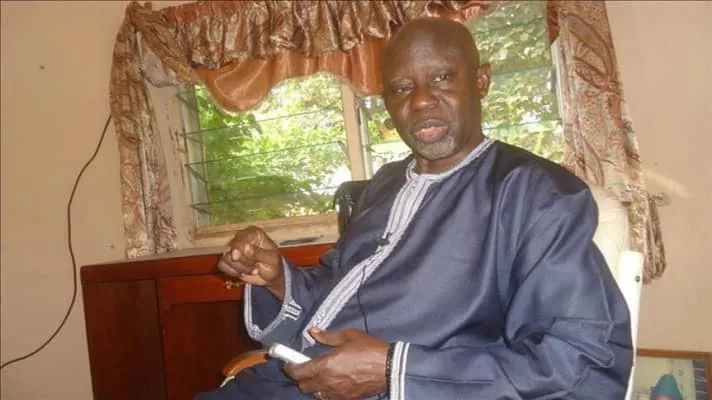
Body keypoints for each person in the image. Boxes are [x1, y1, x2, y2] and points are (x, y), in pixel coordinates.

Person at [195, 16, 633, 400]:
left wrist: (394, 369)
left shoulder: (537, 195)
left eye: (441, 78)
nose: (420, 100)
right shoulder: (385, 185)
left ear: (481, 81)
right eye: (402, 87)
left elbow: (581, 362)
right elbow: (336, 294)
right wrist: (276, 279)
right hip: (289, 383)